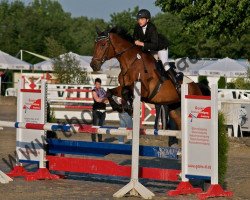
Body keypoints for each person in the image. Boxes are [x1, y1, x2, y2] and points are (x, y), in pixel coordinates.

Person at [133, 9, 181, 87]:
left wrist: (141, 43)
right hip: (149, 48)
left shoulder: (152, 27)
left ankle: (176, 82)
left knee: (165, 65)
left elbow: (154, 45)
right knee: (149, 63)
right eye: (138, 19)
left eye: (142, 19)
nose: (140, 21)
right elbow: (134, 38)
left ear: (147, 20)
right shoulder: (137, 27)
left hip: (160, 47)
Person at [91, 78, 107, 142]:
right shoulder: (93, 90)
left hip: (103, 110)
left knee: (101, 127)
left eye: (99, 84)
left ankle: (100, 141)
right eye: (97, 84)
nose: (98, 85)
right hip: (96, 110)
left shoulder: (103, 90)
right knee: (95, 126)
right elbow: (97, 100)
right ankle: (93, 141)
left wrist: (102, 99)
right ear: (95, 84)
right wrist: (103, 99)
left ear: (100, 84)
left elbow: (107, 100)